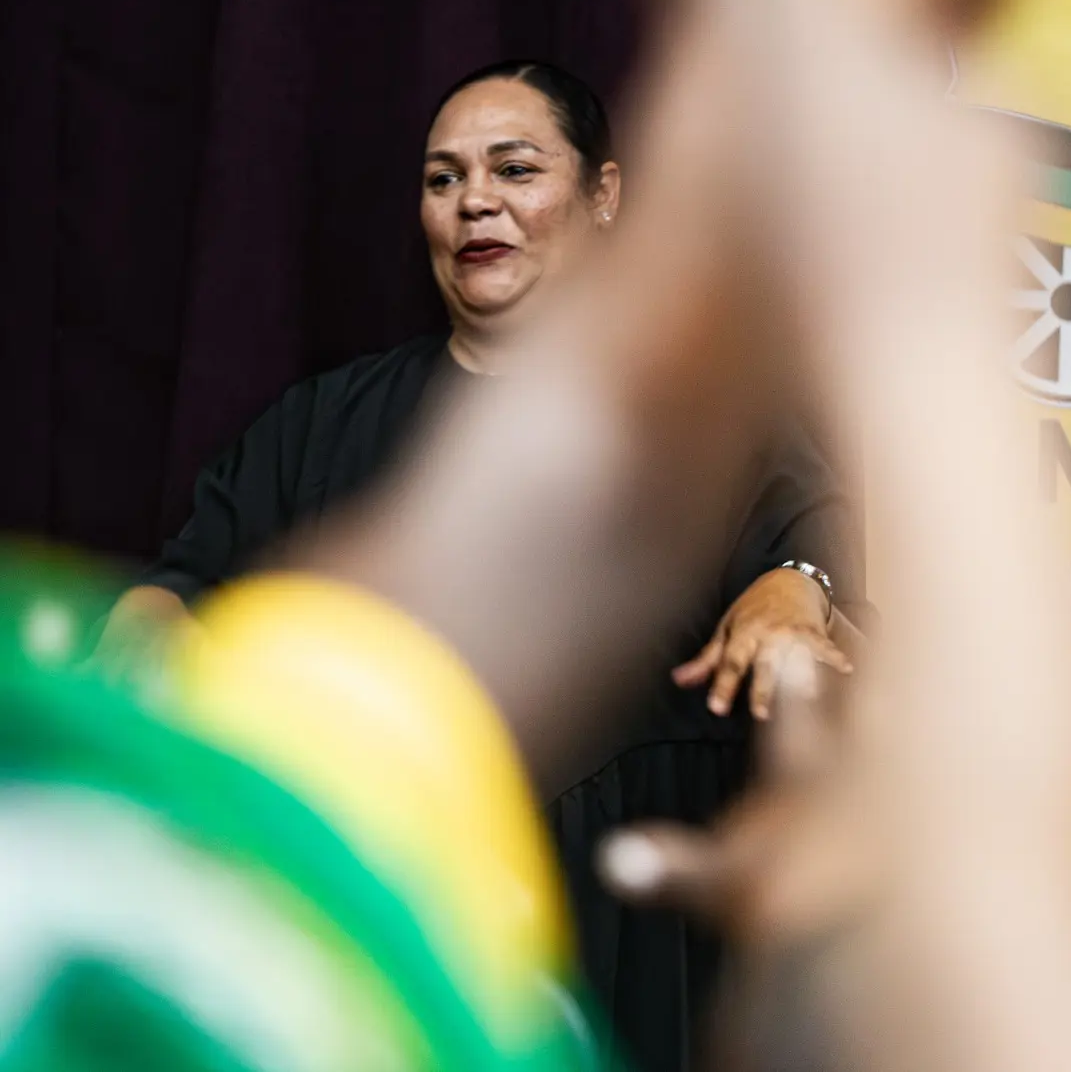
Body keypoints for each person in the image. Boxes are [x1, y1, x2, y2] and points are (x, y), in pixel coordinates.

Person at [91, 57, 855, 1072]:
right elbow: (186, 585)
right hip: (393, 924)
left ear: (605, 194)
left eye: (513, 167)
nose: (474, 201)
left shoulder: (695, 420)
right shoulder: (320, 423)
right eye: (442, 178)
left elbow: (811, 551)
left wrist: (792, 592)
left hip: (635, 937)